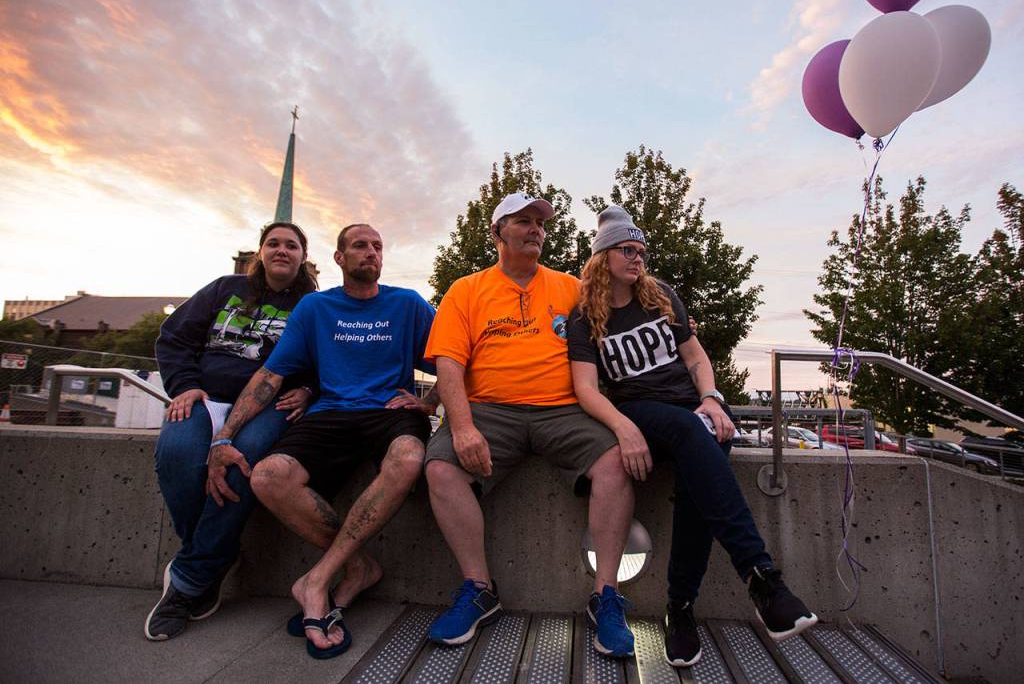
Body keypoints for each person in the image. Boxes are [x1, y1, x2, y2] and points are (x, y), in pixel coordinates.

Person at [567, 205, 818, 667]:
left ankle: (679, 610)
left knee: (701, 472)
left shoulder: (660, 295)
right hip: (639, 413)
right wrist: (623, 428)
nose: (637, 258)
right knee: (690, 431)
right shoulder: (585, 316)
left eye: (641, 250)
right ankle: (762, 578)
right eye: (627, 249)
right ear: (603, 256)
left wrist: (713, 399)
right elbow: (585, 389)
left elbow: (696, 357)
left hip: (689, 409)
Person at [209, 223, 437, 660]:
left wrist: (432, 405)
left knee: (409, 456)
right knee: (267, 477)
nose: (371, 252)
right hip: (330, 413)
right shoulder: (316, 308)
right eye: (359, 246)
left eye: (377, 246)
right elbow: (270, 375)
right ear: (338, 258)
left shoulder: (407, 304)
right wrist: (223, 437)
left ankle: (316, 581)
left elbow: (450, 359)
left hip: (388, 414)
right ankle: (358, 567)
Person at [423, 192, 636, 658]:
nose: (536, 229)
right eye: (523, 221)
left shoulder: (569, 287)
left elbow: (622, 315)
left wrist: (674, 324)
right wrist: (461, 427)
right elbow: (449, 366)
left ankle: (607, 596)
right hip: (490, 410)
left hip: (564, 409)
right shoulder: (465, 289)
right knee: (440, 468)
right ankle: (478, 589)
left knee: (616, 462)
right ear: (497, 232)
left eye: (540, 222)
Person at [146, 221, 318, 641]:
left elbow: (328, 358)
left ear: (302, 256)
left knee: (244, 462)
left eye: (291, 245)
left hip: (270, 405)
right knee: (178, 456)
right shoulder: (225, 288)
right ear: (260, 252)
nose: (282, 250)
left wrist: (310, 391)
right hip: (205, 396)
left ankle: (187, 582)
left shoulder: (313, 305)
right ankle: (213, 559)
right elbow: (174, 339)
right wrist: (185, 386)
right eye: (273, 243)